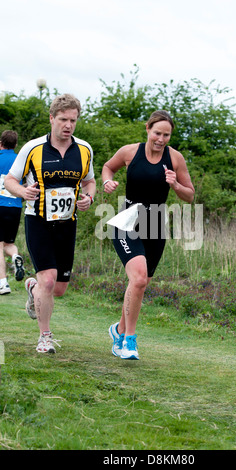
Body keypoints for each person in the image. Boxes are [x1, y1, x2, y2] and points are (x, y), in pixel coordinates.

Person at [5, 94, 96, 353]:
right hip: (38, 221)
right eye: (63, 119)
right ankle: (45, 337)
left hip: (68, 223)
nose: (68, 125)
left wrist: (88, 197)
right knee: (47, 280)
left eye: (73, 120)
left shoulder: (84, 149)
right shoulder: (32, 148)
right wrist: (22, 192)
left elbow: (90, 182)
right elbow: (10, 180)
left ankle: (32, 288)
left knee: (58, 288)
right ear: (52, 118)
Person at [102, 110, 195, 360]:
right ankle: (129, 341)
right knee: (140, 279)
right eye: (157, 133)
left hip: (155, 224)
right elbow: (108, 168)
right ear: (147, 129)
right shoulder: (130, 152)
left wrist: (175, 185)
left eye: (166, 135)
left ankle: (118, 331)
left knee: (140, 284)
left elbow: (190, 195)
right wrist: (106, 182)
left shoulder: (175, 158)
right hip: (127, 221)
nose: (161, 139)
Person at [0, 130, 25, 295]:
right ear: (16, 145)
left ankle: (3, 283)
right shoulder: (20, 160)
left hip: (0, 204)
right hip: (15, 207)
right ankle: (15, 256)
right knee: (8, 244)